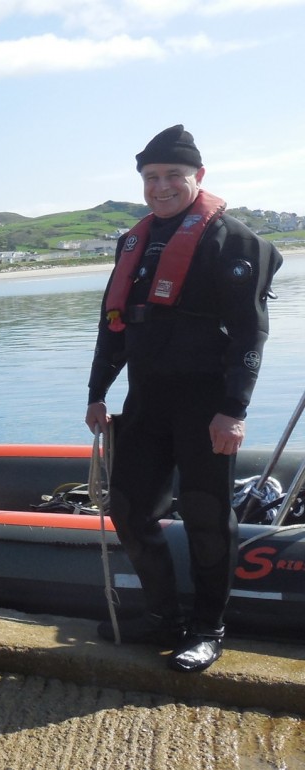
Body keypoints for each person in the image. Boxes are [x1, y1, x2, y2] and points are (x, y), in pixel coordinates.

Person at [85, 126, 282, 672]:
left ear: (199, 177)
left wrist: (234, 410)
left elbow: (250, 335)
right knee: (126, 508)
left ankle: (208, 628)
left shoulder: (232, 241)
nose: (162, 186)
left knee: (206, 515)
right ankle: (164, 617)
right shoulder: (135, 241)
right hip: (146, 401)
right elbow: (114, 324)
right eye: (152, 177)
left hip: (206, 405)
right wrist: (97, 391)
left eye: (174, 175)